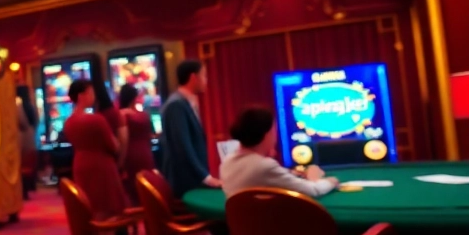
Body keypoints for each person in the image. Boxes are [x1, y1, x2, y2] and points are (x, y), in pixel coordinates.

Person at [60, 79, 131, 235]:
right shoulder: (96, 120)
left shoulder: (68, 122)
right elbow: (114, 145)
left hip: (81, 165)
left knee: (92, 211)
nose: (94, 96)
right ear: (82, 95)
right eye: (91, 92)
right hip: (102, 167)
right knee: (108, 213)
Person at [221, 107, 339, 198]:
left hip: (243, 228)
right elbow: (313, 191)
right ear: (267, 134)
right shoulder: (264, 165)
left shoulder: (227, 162)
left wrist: (291, 173)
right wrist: (330, 181)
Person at [160, 59, 220, 198]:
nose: (206, 80)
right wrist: (206, 177)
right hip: (186, 183)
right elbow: (183, 147)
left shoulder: (184, 102)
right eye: (204, 75)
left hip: (191, 180)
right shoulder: (176, 105)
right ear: (194, 77)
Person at [118, 83, 156, 201]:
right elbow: (151, 135)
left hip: (130, 156)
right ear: (135, 98)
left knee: (133, 191)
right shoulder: (144, 115)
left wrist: (120, 163)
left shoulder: (121, 116)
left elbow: (122, 141)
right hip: (146, 154)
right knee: (147, 189)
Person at [15, 85, 40, 198]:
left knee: (23, 164)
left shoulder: (19, 104)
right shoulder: (26, 104)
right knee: (27, 163)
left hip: (23, 136)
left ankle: (25, 189)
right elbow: (31, 121)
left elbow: (22, 121)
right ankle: (27, 188)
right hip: (28, 135)